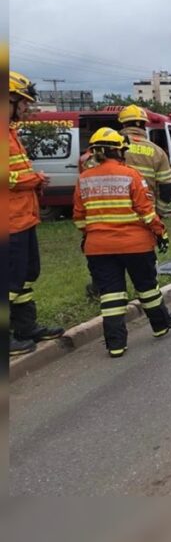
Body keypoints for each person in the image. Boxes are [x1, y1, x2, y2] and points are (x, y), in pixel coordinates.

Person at [73, 128, 171, 358]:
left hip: (98, 247)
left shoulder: (84, 179)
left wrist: (91, 235)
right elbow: (146, 212)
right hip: (135, 245)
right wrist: (160, 232)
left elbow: (79, 218)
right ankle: (160, 326)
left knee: (111, 295)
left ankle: (116, 344)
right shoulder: (130, 176)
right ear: (117, 151)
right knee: (147, 288)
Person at [8, 72, 65, 356]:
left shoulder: (10, 134)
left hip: (22, 217)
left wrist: (34, 179)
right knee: (9, 281)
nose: (25, 108)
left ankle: (25, 327)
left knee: (26, 276)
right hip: (8, 222)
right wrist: (35, 179)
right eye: (22, 102)